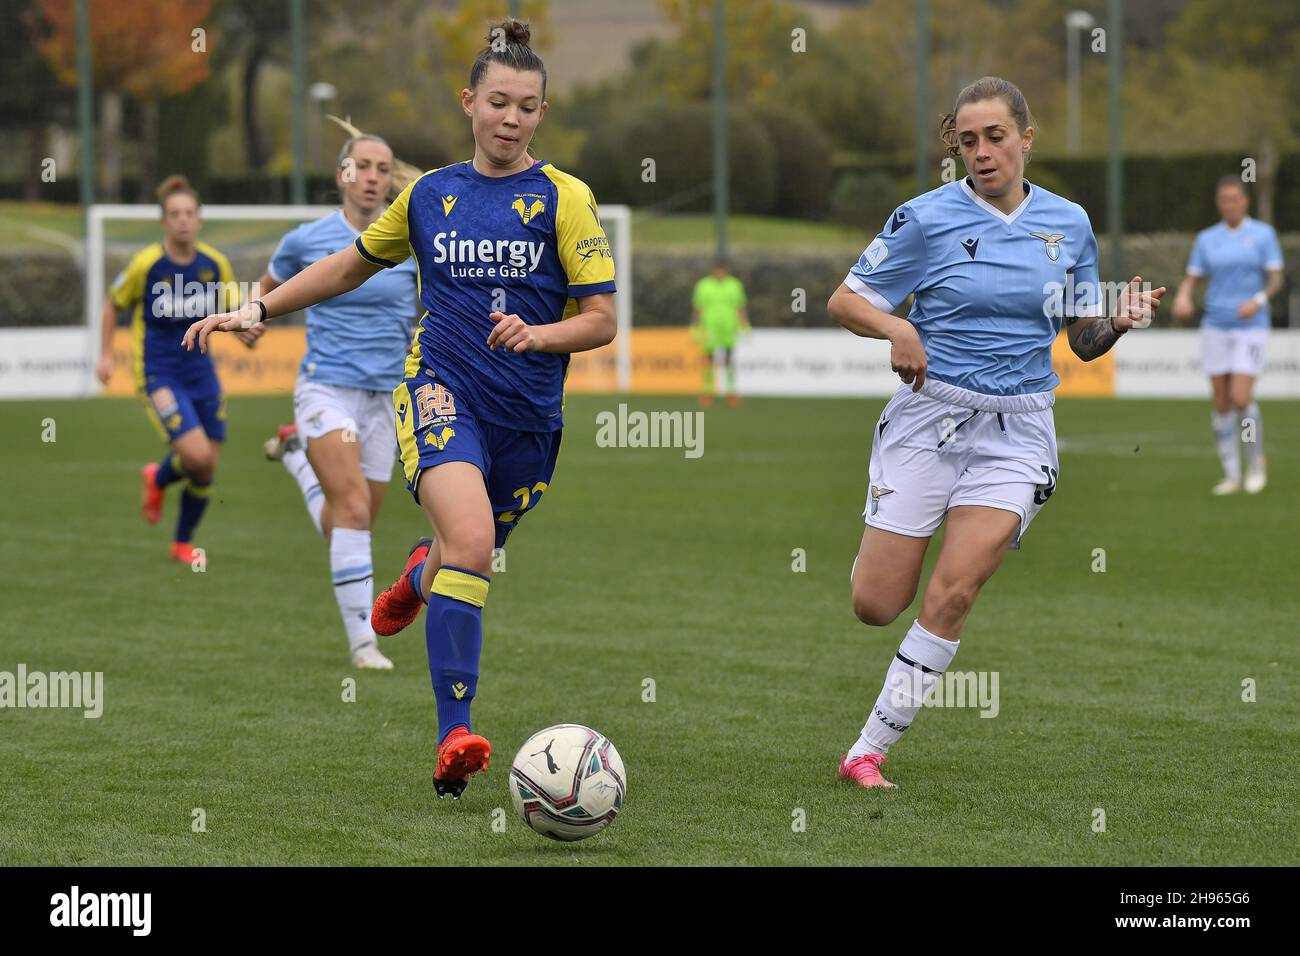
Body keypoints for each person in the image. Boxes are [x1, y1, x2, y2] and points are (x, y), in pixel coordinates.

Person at [183, 19, 616, 800]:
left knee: (460, 557)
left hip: (529, 418)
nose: (510, 119)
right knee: (476, 544)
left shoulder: (566, 199)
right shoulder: (429, 196)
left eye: (526, 106)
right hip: (439, 391)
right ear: (469, 103)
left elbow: (602, 319)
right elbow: (349, 266)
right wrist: (260, 310)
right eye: (497, 102)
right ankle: (456, 734)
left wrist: (540, 332)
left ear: (541, 115)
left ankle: (417, 578)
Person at [826, 76, 1164, 789]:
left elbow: (1082, 340)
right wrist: (896, 325)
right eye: (969, 140)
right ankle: (881, 559)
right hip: (928, 417)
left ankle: (867, 751)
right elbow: (846, 300)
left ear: (1026, 139)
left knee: (954, 591)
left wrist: (1119, 322)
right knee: (877, 605)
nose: (982, 152)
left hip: (1018, 430)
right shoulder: (924, 218)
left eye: (996, 137)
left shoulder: (1068, 225)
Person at [258, 134, 419, 670]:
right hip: (326, 388)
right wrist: (254, 319)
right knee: (351, 510)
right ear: (343, 175)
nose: (374, 176)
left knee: (350, 522)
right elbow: (272, 284)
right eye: (364, 167)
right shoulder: (308, 239)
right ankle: (362, 643)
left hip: (386, 398)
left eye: (383, 168)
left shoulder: (409, 240)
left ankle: (297, 460)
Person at [97, 174, 247, 564]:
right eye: (174, 214)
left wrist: (247, 328)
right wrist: (105, 355)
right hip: (158, 373)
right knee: (197, 457)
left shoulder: (214, 264)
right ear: (164, 221)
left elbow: (234, 312)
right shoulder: (147, 264)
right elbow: (114, 305)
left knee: (207, 465)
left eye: (189, 213)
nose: (182, 220)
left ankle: (181, 539)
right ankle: (161, 479)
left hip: (202, 373)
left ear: (199, 219)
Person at [1171, 177, 1284, 495]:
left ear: (1244, 200)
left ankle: (1256, 462)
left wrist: (1258, 300)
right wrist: (1183, 297)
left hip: (1251, 327)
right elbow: (1192, 279)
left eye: (1234, 198)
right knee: (1221, 404)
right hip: (1215, 326)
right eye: (1223, 199)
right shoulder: (1208, 239)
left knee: (1240, 398)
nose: (1229, 204)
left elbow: (1275, 280)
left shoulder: (1263, 235)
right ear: (1218, 202)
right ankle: (1232, 475)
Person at [690, 259, 749, 406]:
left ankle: (731, 392)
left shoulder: (735, 285)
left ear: (727, 270)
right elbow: (698, 307)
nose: (720, 273)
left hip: (729, 326)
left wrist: (745, 324)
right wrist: (694, 326)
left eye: (723, 270)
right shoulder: (703, 285)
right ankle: (708, 392)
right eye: (718, 270)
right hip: (709, 326)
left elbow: (740, 306)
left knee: (728, 358)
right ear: (713, 270)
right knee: (709, 359)